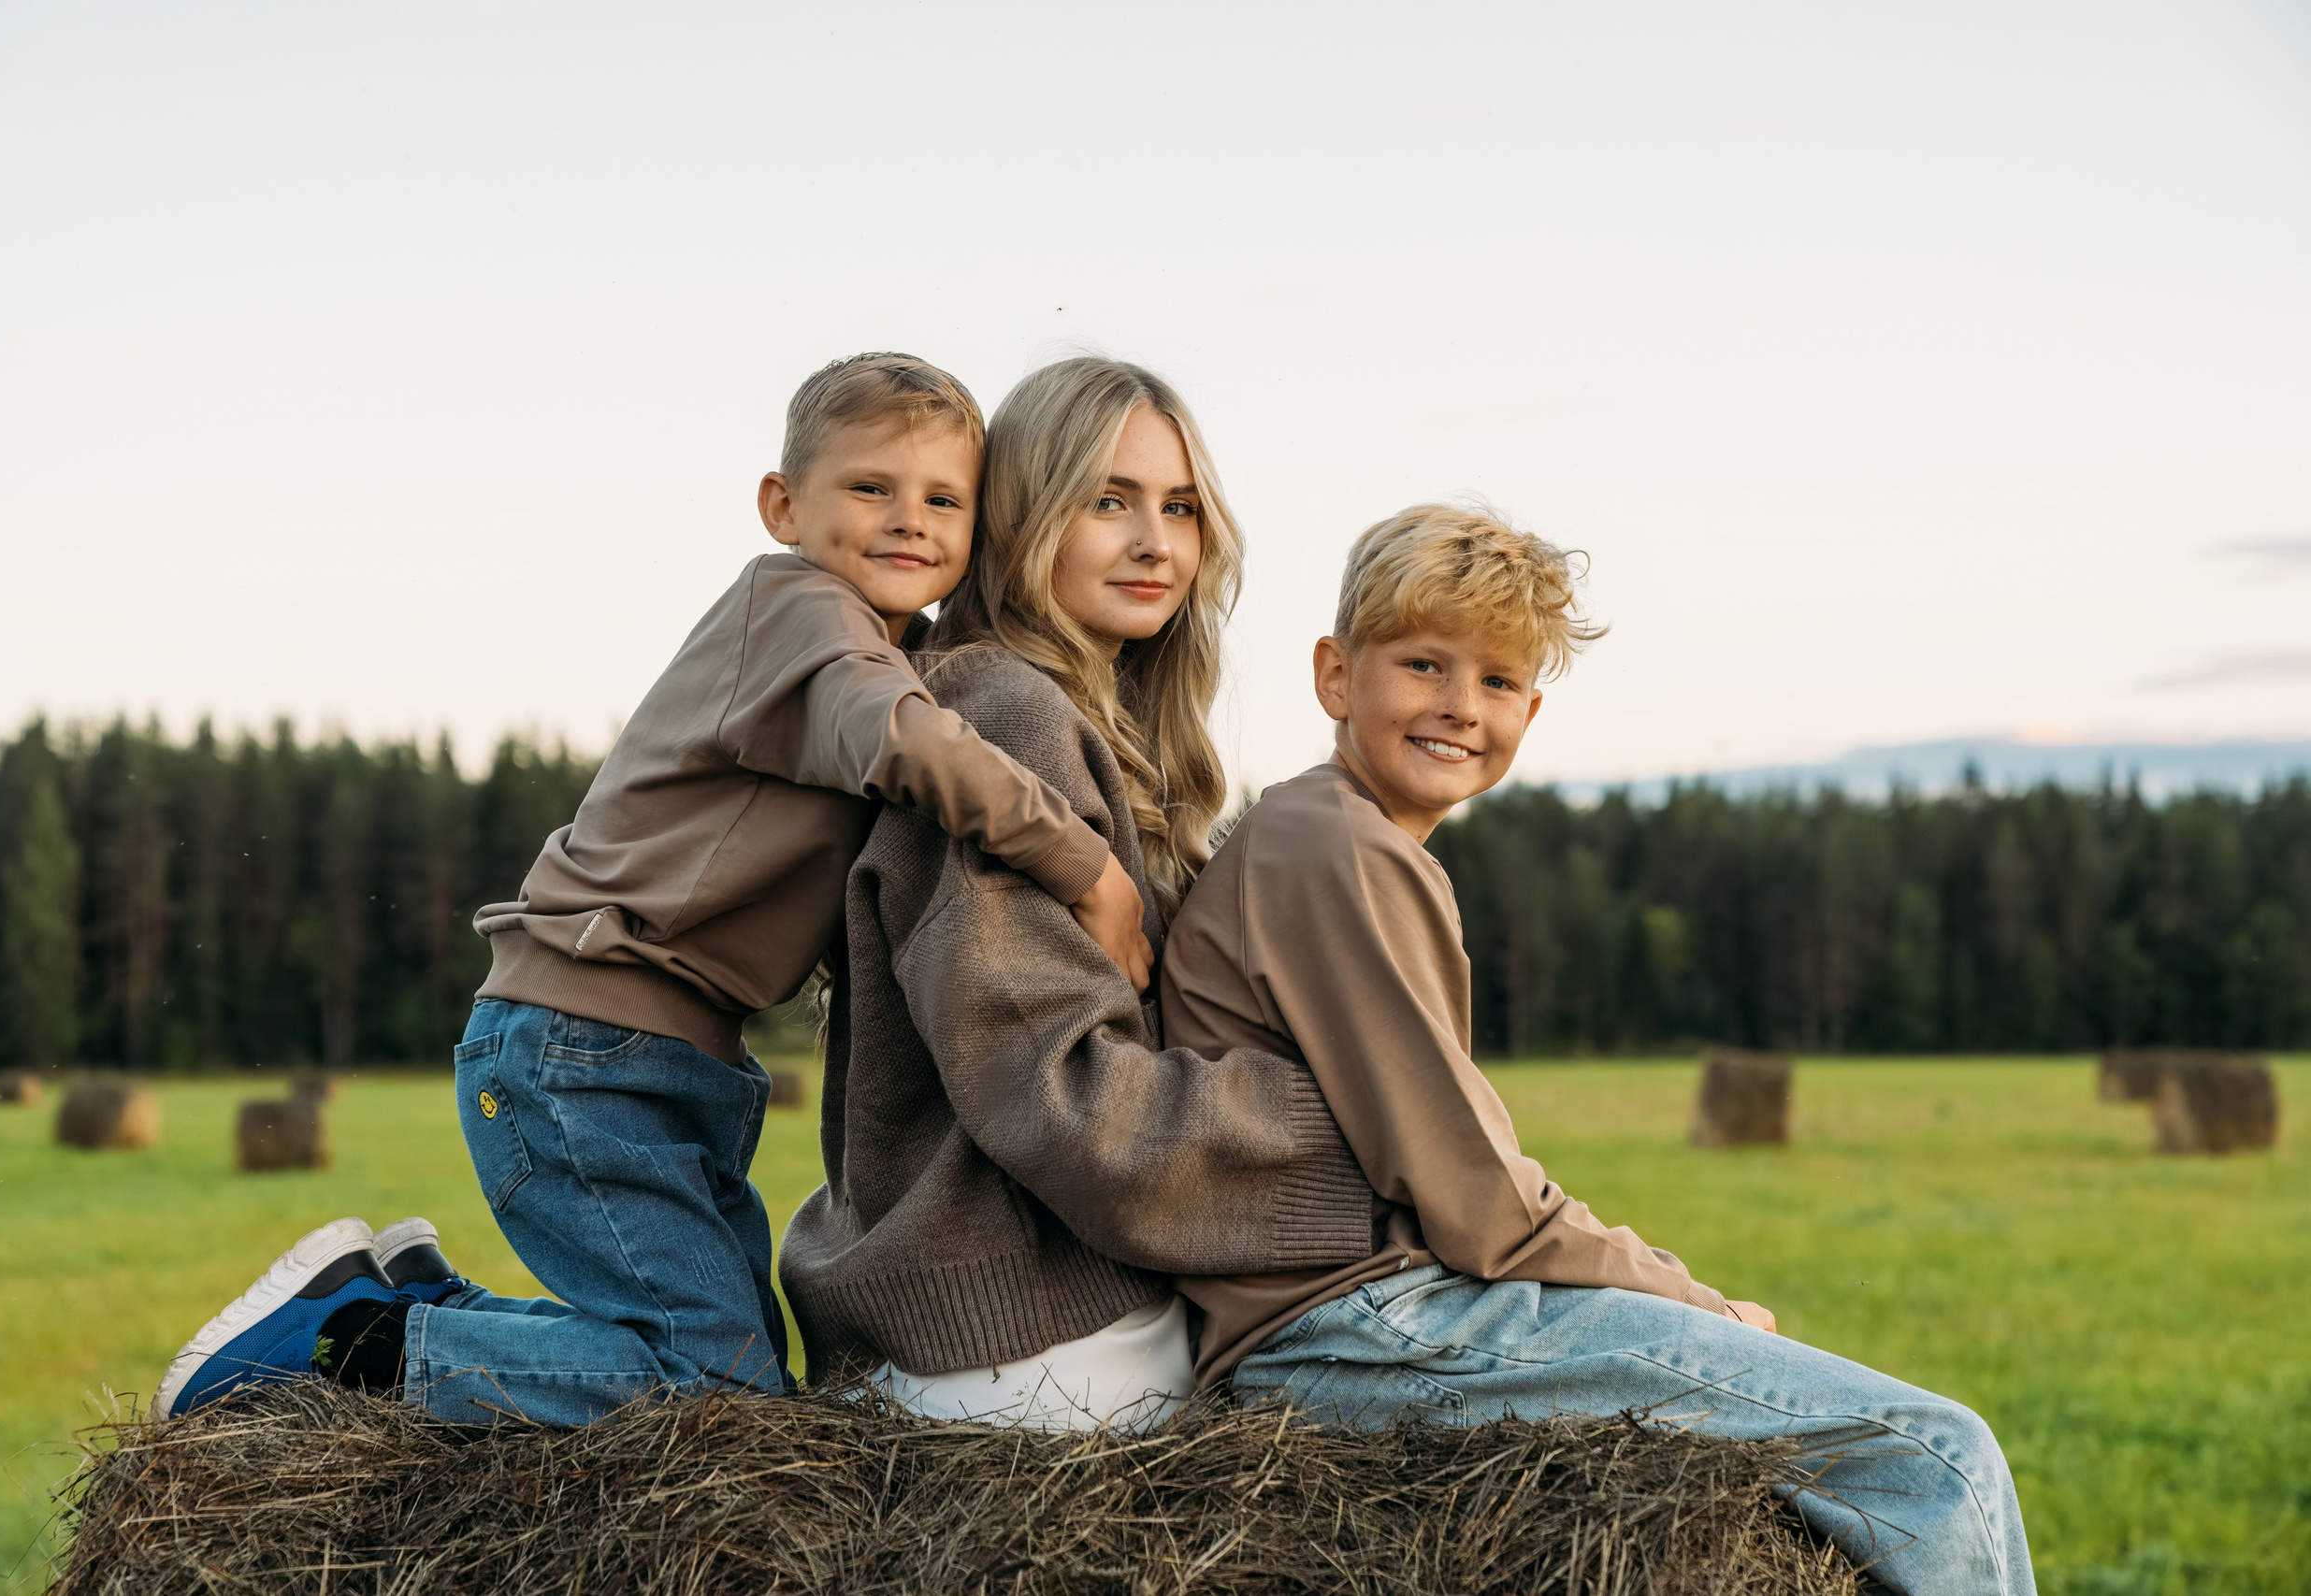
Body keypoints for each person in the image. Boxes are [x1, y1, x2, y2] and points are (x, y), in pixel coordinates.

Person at [154, 352, 1159, 1425]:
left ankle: (404, 1306)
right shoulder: (804, 617)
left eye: (942, 499)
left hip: (657, 1058)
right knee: (709, 1389)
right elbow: (902, 741)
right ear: (782, 506)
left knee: (732, 1369)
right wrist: (1087, 868)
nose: (907, 519)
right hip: (584, 1049)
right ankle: (339, 1350)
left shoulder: (869, 641)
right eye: (871, 487)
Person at [1157, 502, 2035, 1595]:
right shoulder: (1335, 847)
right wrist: (1694, 1301)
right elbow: (1480, 1210)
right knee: (1935, 1456)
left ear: (1530, 707)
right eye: (1423, 664)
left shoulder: (1329, 836)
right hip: (1356, 1335)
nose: (1458, 707)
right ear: (1337, 676)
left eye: (1497, 681)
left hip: (1357, 1322)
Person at [779, 356, 1376, 1430]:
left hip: (1025, 1326)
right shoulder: (1002, 712)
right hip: (1033, 1341)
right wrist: (1371, 1142)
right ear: (1023, 514)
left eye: (1180, 508)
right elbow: (1066, 1099)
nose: (1156, 543)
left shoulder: (1080, 723)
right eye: (1109, 501)